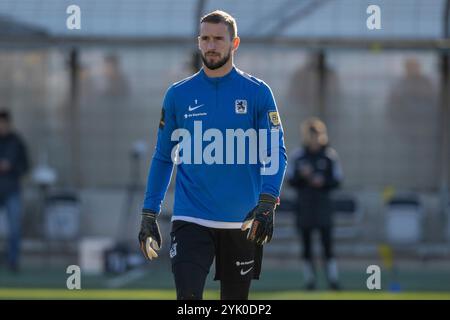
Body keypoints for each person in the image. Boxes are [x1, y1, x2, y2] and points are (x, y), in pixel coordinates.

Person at [138, 10, 287, 300]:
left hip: (242, 222)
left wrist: (267, 202)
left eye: (219, 39)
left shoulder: (258, 93)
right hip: (190, 219)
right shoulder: (177, 95)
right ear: (198, 42)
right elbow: (163, 157)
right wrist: (149, 212)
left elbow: (275, 151)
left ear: (235, 43)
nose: (211, 45)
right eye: (205, 38)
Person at [287, 118, 342, 290]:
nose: (313, 139)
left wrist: (323, 181)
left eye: (316, 135)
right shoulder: (298, 155)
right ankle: (310, 280)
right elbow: (290, 180)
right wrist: (302, 176)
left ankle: (333, 280)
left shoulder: (329, 155)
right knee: (306, 245)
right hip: (304, 207)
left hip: (323, 207)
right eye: (310, 135)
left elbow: (337, 180)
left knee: (327, 245)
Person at [0, 109, 29, 272]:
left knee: (14, 228)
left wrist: (11, 168)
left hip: (12, 189)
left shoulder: (17, 142)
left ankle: (13, 261)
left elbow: (25, 166)